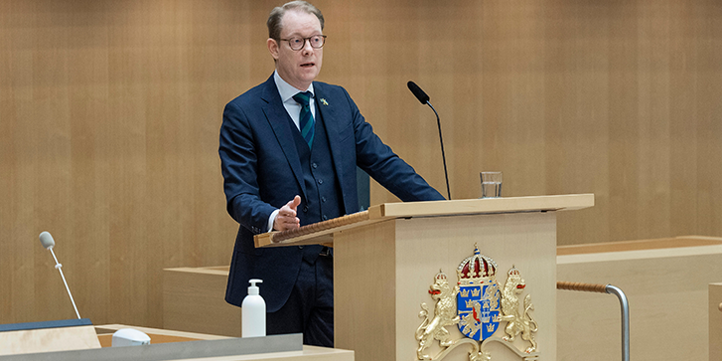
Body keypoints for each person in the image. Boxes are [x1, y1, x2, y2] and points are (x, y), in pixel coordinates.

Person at [218, 0, 444, 347]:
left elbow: (385, 163)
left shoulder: (338, 102)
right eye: (297, 42)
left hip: (338, 270)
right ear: (273, 48)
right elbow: (239, 195)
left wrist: (442, 208)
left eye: (316, 40)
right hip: (275, 275)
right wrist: (273, 216)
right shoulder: (244, 112)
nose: (309, 50)